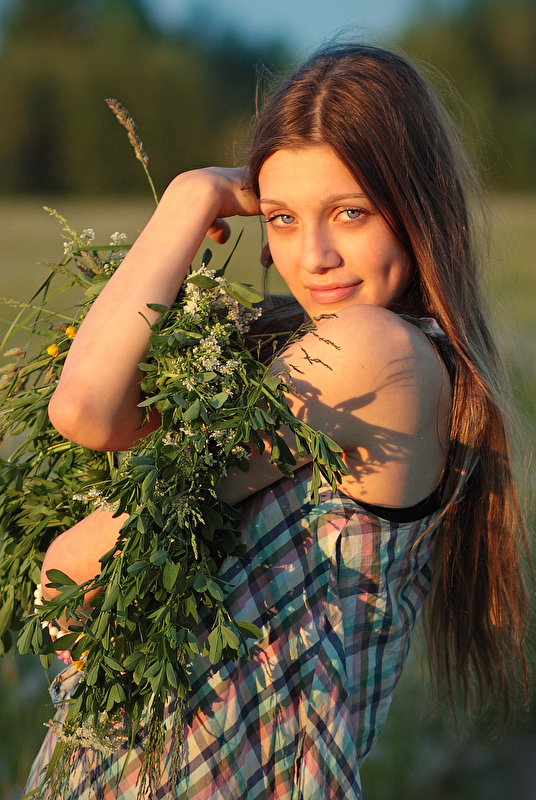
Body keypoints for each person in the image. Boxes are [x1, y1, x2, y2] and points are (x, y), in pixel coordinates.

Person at [25, 43, 530, 800]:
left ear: (417, 208)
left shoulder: (377, 354)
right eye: (283, 218)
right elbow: (92, 413)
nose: (314, 255)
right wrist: (192, 195)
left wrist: (187, 200)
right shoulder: (307, 347)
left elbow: (86, 449)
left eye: (351, 212)